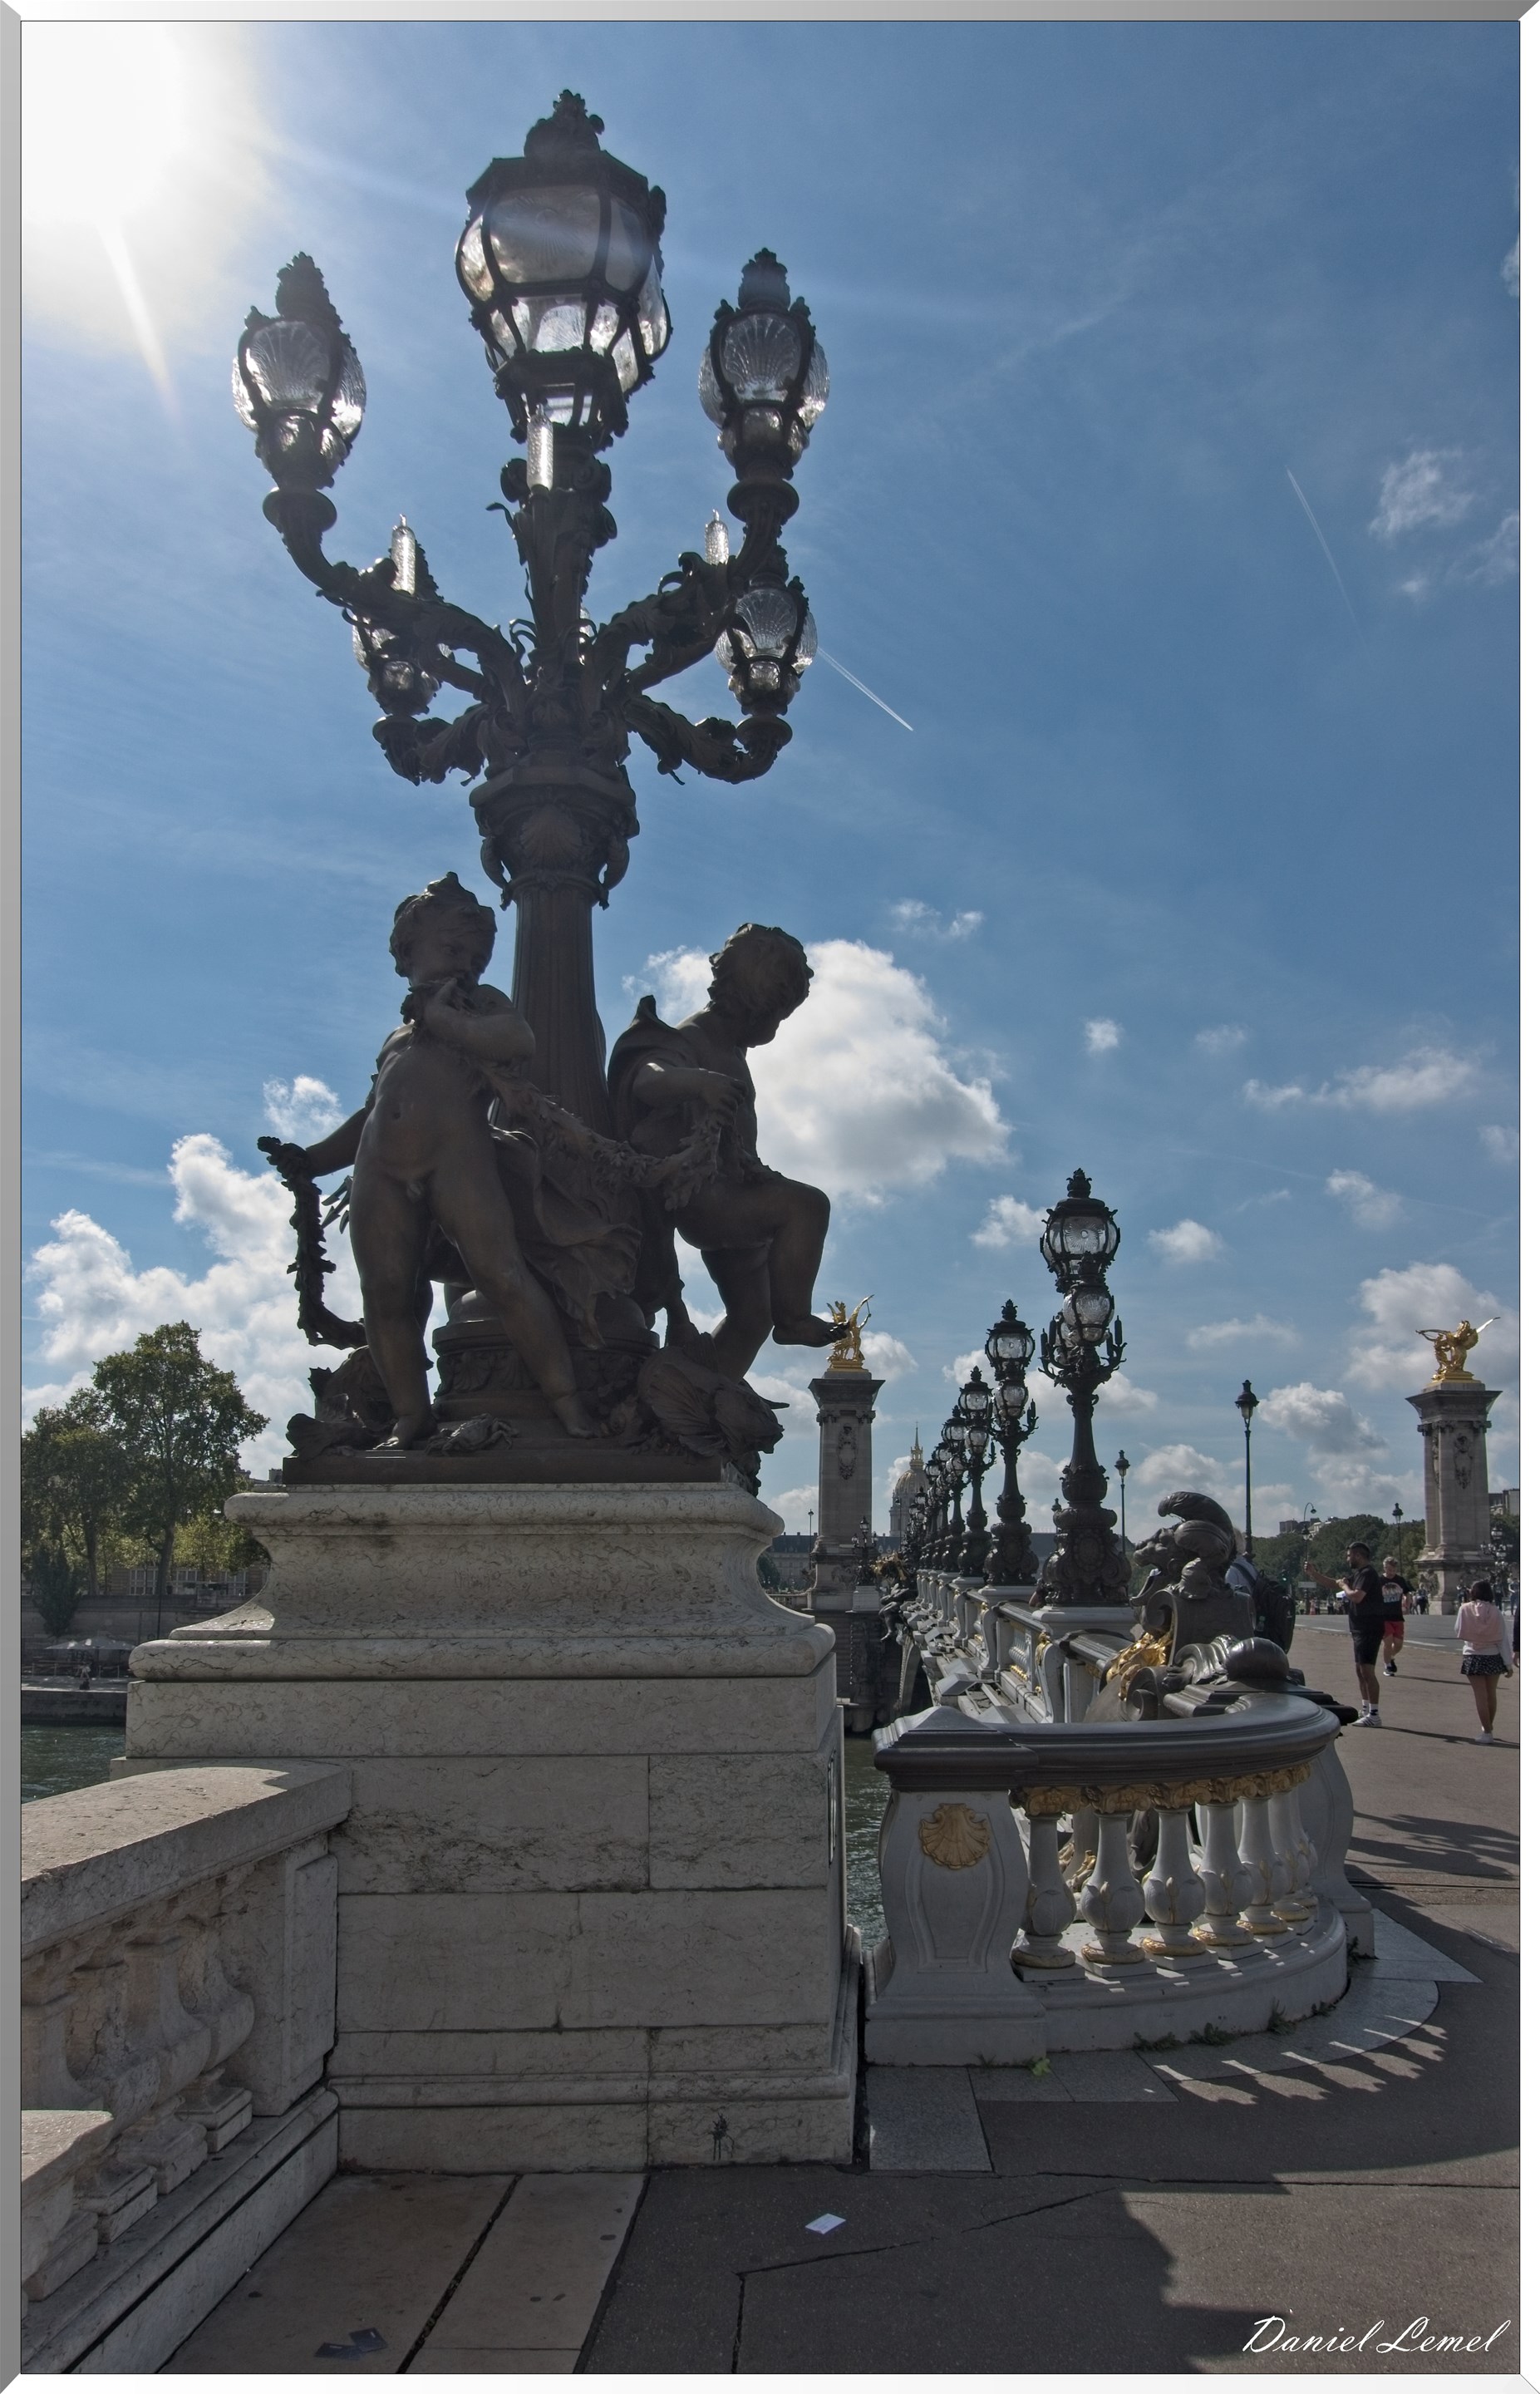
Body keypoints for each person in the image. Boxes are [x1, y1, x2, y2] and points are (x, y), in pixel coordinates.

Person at [266, 874, 598, 1450]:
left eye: (476, 958)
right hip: (380, 1171)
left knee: (500, 1275)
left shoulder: (481, 1008)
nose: (465, 966)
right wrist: (313, 1160)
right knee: (387, 1294)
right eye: (452, 950)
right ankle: (410, 1416)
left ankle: (567, 1402)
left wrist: (448, 1022)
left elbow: (518, 1041)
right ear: (406, 952)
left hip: (457, 1157)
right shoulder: (397, 1038)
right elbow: (373, 1112)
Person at [1304, 1539, 1385, 1723]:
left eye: (1349, 1556)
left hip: (1369, 1628)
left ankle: (1374, 1715)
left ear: (1358, 1555)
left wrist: (1345, 1586)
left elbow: (1356, 1596)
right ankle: (1366, 1709)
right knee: (1360, 1671)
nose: (1348, 1559)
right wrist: (1314, 1574)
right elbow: (1335, 1583)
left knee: (1367, 1671)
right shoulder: (1359, 1574)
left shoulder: (1368, 1573)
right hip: (1360, 1628)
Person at [1455, 1578, 1513, 1742]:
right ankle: (1488, 1727)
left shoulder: (1464, 1609)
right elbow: (1503, 1640)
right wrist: (1508, 1664)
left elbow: (1458, 1629)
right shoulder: (1496, 1612)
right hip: (1493, 1655)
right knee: (1491, 1694)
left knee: (1480, 1696)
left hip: (1472, 1654)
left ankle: (1487, 1732)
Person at [1380, 1554, 1410, 1672]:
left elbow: (1407, 1593)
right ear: (1385, 1568)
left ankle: (1391, 1656)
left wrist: (1407, 1606)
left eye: (1393, 1570)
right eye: (1389, 1569)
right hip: (1384, 1617)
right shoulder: (1379, 1581)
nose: (1391, 1572)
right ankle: (1387, 1665)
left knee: (1398, 1644)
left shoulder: (1400, 1580)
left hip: (1397, 1616)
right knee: (1388, 1642)